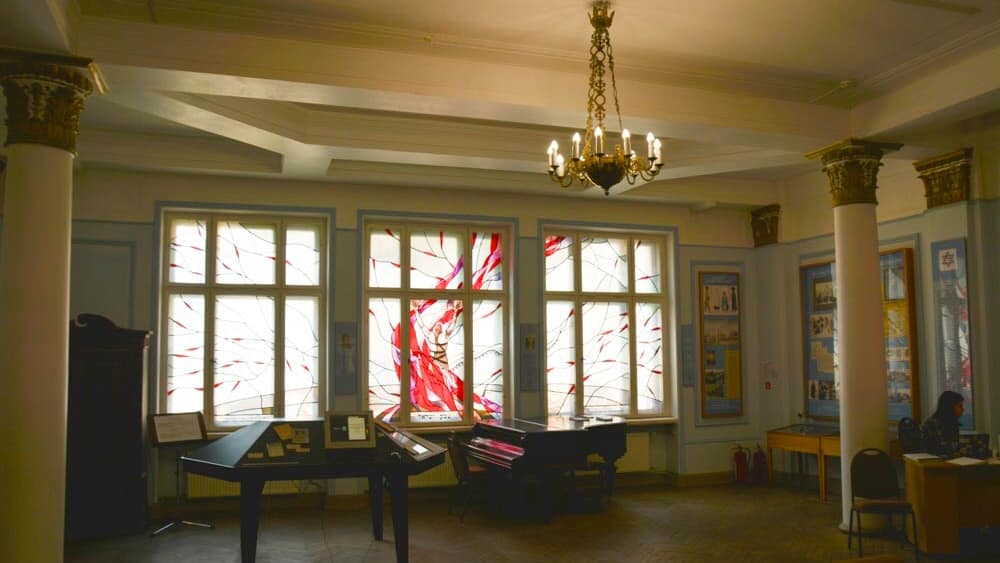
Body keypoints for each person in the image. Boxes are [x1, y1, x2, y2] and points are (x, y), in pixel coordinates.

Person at [920, 390, 964, 457]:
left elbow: (954, 447)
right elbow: (940, 449)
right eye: (960, 406)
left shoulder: (952, 423)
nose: (963, 409)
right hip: (932, 461)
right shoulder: (932, 424)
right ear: (950, 406)